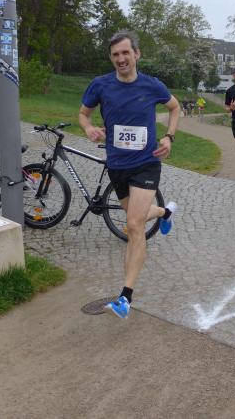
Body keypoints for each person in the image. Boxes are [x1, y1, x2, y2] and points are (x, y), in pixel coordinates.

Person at [78, 30, 181, 319]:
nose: (121, 58)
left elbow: (175, 108)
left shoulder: (152, 85)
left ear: (136, 54)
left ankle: (125, 297)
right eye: (116, 54)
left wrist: (169, 137)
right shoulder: (101, 85)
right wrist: (88, 128)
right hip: (117, 165)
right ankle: (164, 212)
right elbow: (83, 114)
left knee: (134, 224)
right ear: (111, 58)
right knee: (135, 214)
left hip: (146, 163)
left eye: (126, 53)